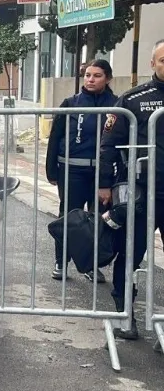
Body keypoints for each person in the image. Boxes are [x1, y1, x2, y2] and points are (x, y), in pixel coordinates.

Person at [98, 39, 164, 340]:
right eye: (163, 60)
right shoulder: (133, 99)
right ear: (153, 64)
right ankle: (125, 313)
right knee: (130, 253)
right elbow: (109, 145)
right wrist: (104, 185)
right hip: (141, 193)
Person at [46, 59, 116, 282]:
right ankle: (61, 261)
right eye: (87, 75)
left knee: (97, 221)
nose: (91, 79)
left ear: (107, 78)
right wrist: (51, 171)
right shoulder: (71, 103)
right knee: (69, 217)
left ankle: (89, 265)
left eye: (97, 75)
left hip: (103, 175)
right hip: (72, 172)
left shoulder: (117, 104)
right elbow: (55, 137)